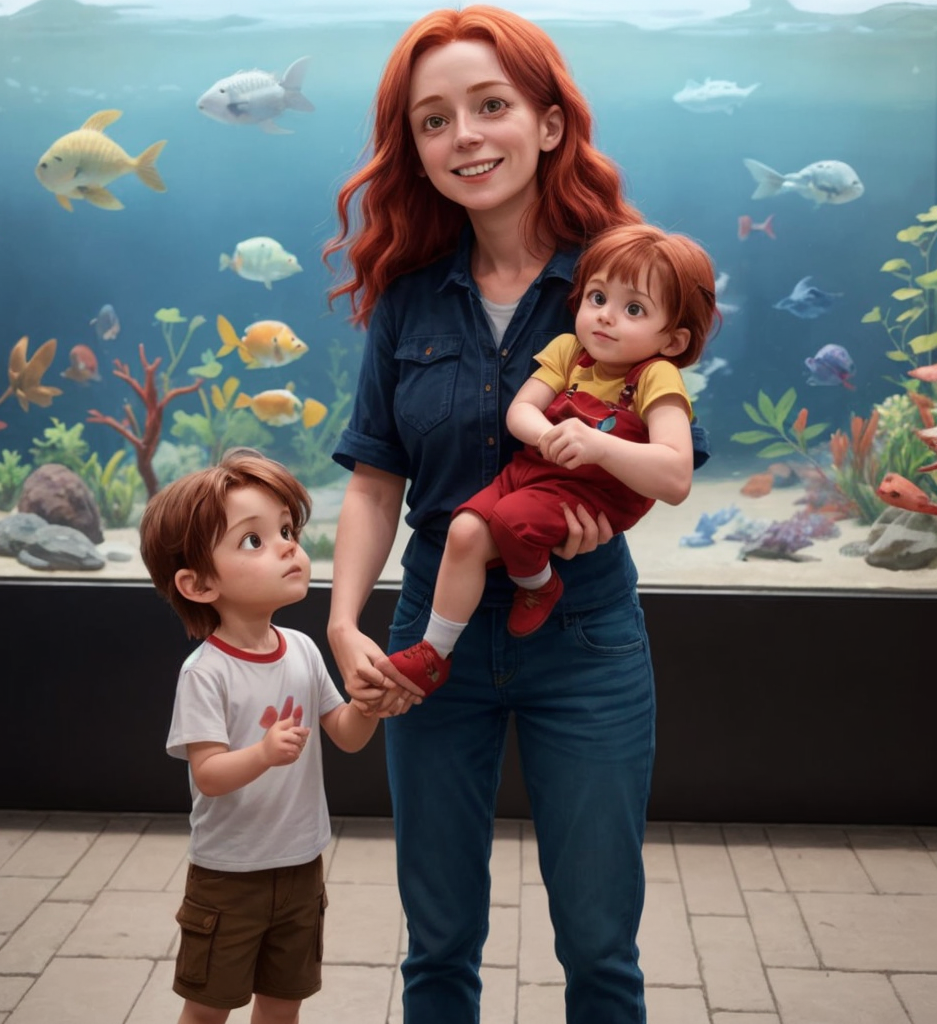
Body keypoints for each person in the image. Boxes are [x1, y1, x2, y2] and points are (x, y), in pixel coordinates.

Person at [323, 7, 710, 1023]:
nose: (466, 137)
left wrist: (599, 516)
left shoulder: (619, 283)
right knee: (437, 946)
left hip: (583, 637)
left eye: (490, 105)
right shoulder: (406, 297)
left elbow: (662, 466)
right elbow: (373, 477)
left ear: (547, 122)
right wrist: (340, 618)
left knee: (598, 947)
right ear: (413, 147)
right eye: (434, 120)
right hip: (429, 643)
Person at [390, 223, 718, 694]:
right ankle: (433, 653)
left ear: (673, 341)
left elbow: (675, 476)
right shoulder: (569, 351)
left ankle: (539, 584)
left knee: (509, 521)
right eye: (598, 298)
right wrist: (548, 436)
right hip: (538, 469)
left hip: (592, 489)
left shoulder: (656, 377)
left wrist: (598, 445)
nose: (605, 317)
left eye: (634, 309)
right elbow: (520, 410)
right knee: (464, 531)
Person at [138, 448, 378, 1024]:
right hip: (227, 878)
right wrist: (264, 754)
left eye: (288, 530)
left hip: (300, 866)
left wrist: (370, 705)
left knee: (282, 1007)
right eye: (254, 540)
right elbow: (209, 775)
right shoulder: (206, 672)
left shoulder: (301, 649)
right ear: (196, 585)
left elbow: (346, 735)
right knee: (207, 1009)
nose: (289, 546)